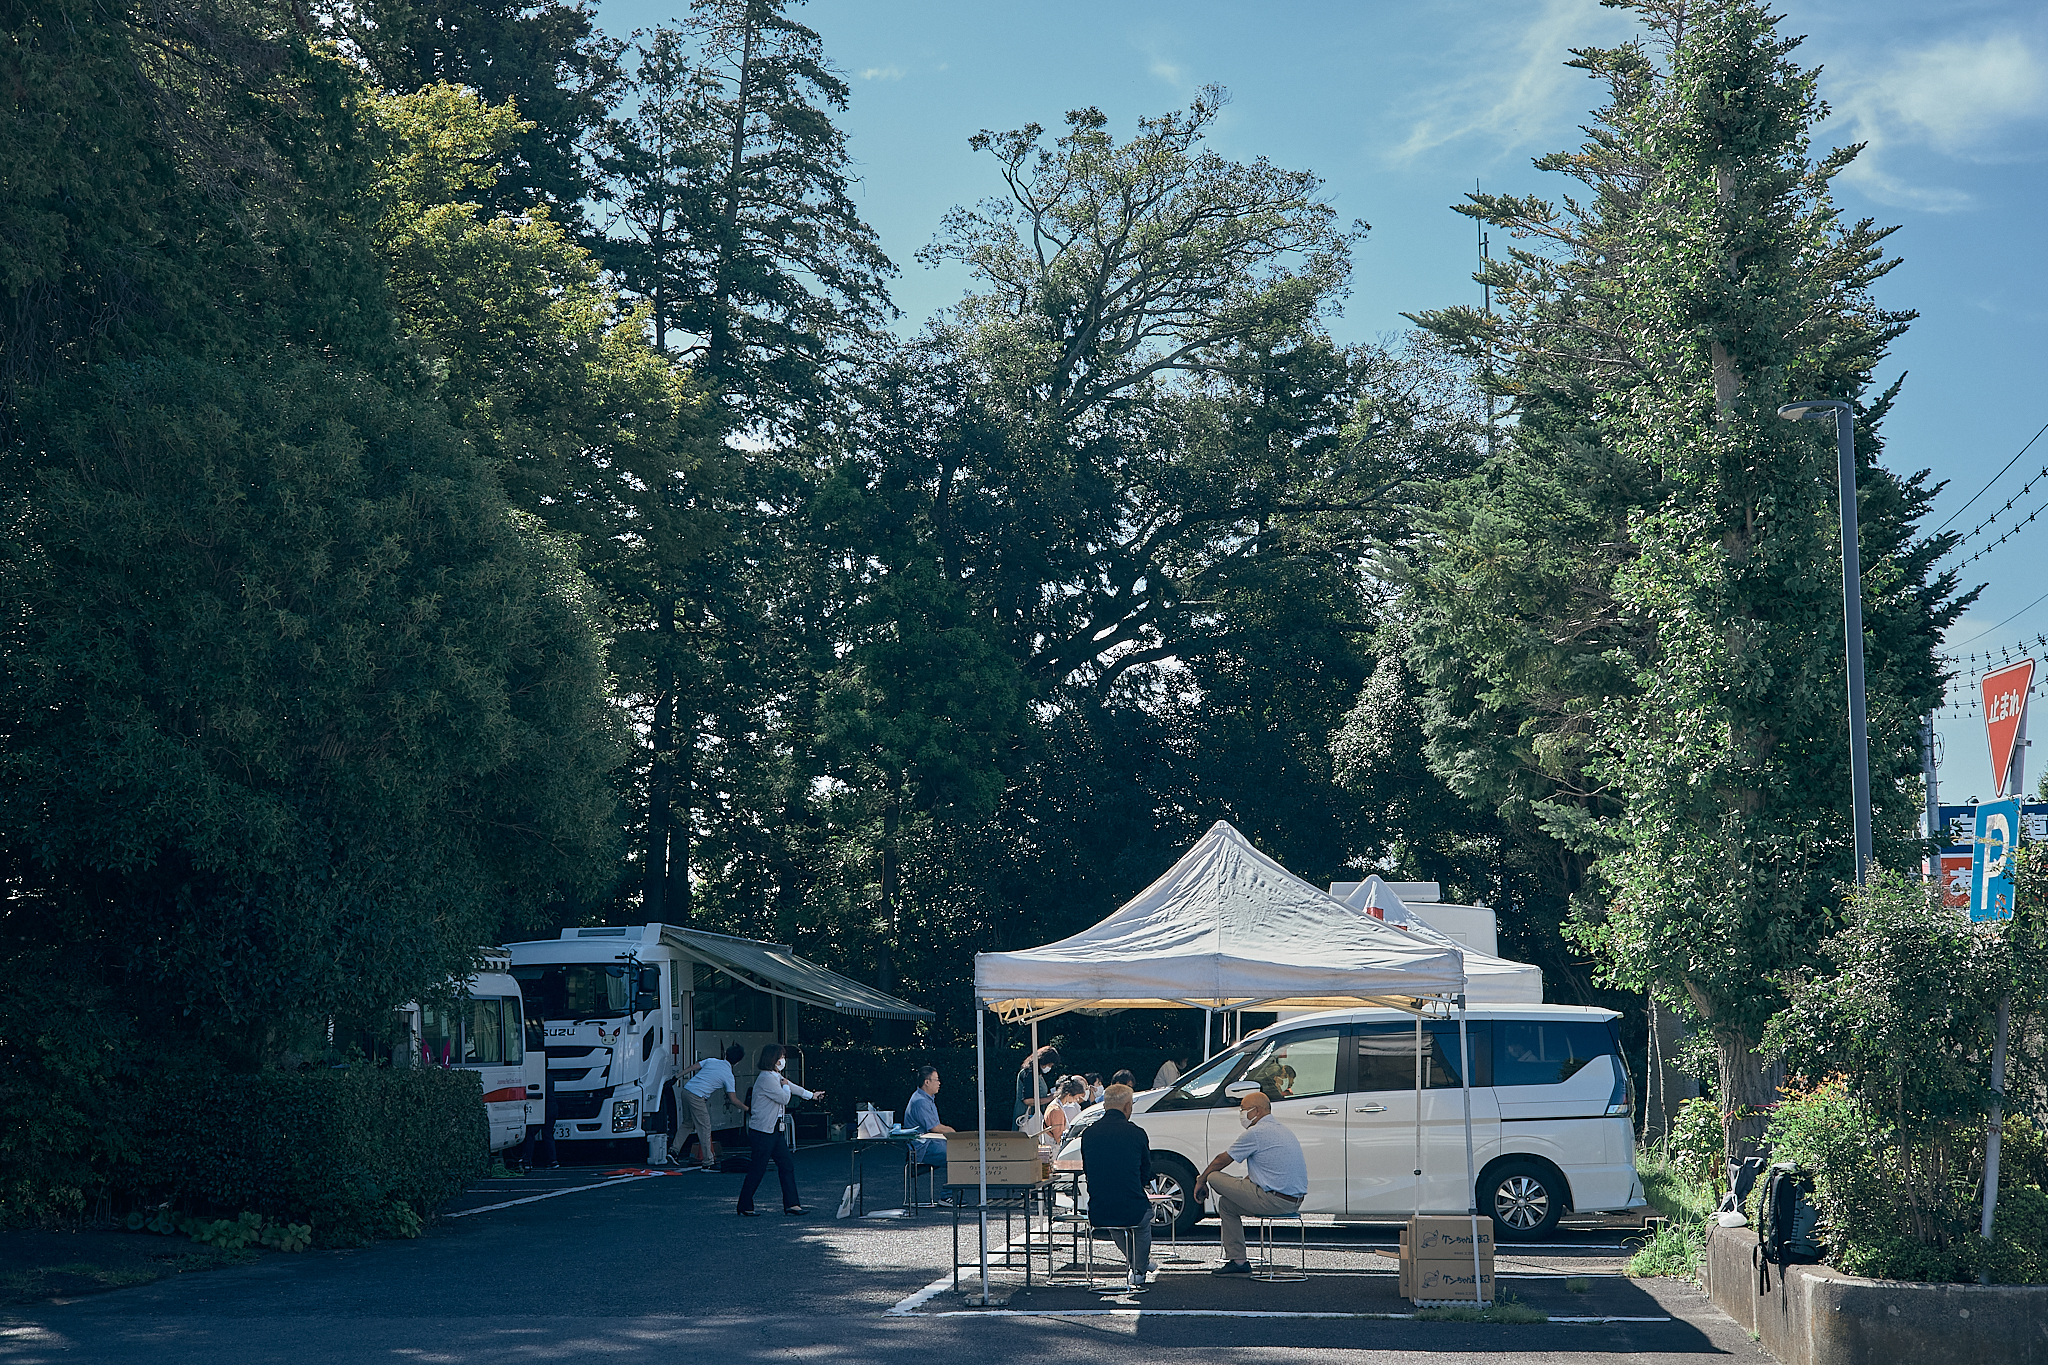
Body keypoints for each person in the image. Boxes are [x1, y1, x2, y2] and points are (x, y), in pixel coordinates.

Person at [1193, 1088, 1308, 1275]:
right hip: (1292, 1201)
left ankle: (1238, 1261)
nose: (1241, 1114)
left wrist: (1201, 1179)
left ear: (1257, 1111)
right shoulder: (1282, 1130)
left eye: (1243, 1109)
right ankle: (1238, 1260)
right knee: (1227, 1205)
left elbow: (1221, 1160)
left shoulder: (1256, 1132)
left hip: (1272, 1201)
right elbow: (1266, 1173)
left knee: (1214, 1176)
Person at [1080, 1084, 1155, 1291]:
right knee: (1143, 1222)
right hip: (1133, 1205)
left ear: (1105, 1106)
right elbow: (1145, 1171)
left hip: (1100, 1208)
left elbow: (1089, 1169)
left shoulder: (1089, 1134)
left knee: (1115, 1223)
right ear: (1127, 1106)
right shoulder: (1137, 1133)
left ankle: (1137, 1264)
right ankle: (1139, 1269)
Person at [738, 1044, 823, 1216]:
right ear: (773, 1059)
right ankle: (744, 1205)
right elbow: (785, 1097)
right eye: (781, 1056)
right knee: (758, 1168)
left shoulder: (775, 1076)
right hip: (763, 1131)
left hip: (774, 1130)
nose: (783, 1060)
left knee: (786, 1165)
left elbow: (792, 1086)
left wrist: (811, 1095)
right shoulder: (767, 1078)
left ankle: (792, 1204)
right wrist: (785, 1086)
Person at [682, 1043, 748, 1171]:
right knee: (705, 1127)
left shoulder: (712, 1060)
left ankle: (673, 1151)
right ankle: (708, 1161)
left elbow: (692, 1068)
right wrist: (748, 1109)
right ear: (738, 1062)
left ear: (725, 1054)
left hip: (686, 1090)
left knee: (688, 1123)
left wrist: (675, 1077)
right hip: (698, 1096)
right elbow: (733, 1099)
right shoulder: (729, 1075)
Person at [903, 1064, 955, 1167]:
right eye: (936, 1080)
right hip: (923, 1148)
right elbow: (935, 1128)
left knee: (960, 1151)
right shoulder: (921, 1102)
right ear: (927, 1082)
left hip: (930, 1143)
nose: (939, 1083)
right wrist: (954, 1133)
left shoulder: (925, 1098)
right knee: (958, 1155)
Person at [517, 1062, 558, 1171]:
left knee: (530, 1133)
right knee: (548, 1134)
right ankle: (553, 1160)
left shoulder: (536, 1076)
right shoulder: (549, 1077)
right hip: (552, 1108)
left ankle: (527, 1160)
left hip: (541, 1107)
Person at [1014, 1045, 1060, 1128]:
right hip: (1025, 1118)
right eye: (1049, 1064)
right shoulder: (1029, 1073)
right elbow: (1027, 1100)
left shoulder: (1037, 1073)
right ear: (1043, 1060)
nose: (1050, 1067)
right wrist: (1049, 1098)